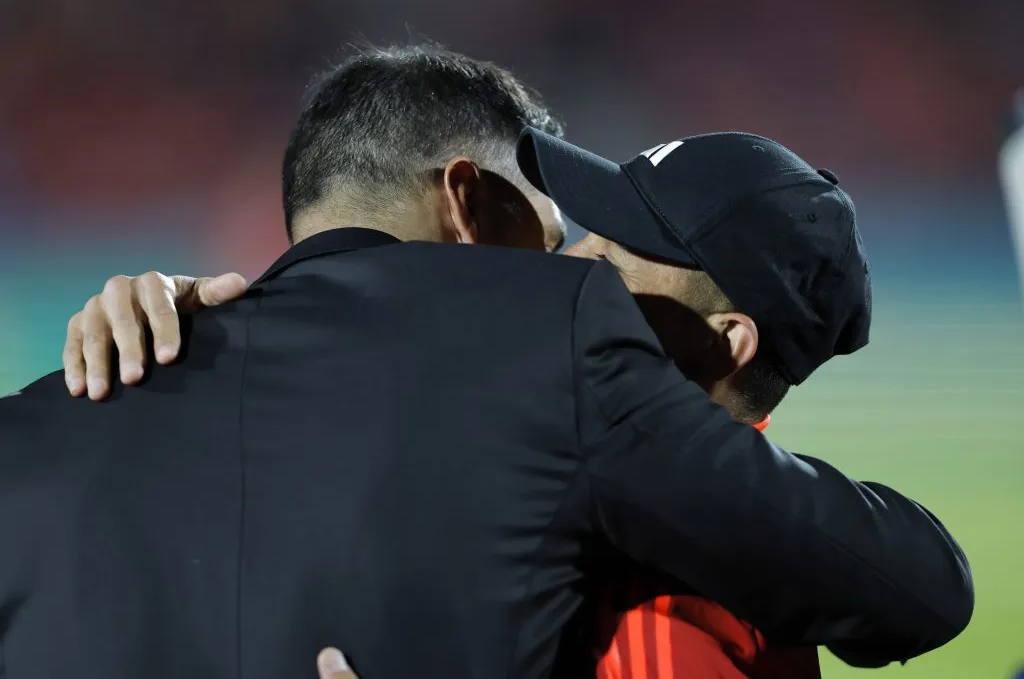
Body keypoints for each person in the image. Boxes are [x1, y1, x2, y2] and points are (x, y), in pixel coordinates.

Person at [2, 45, 971, 679]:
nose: (570, 275)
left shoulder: (48, 417)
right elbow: (913, 584)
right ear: (467, 202)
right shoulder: (543, 366)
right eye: (552, 241)